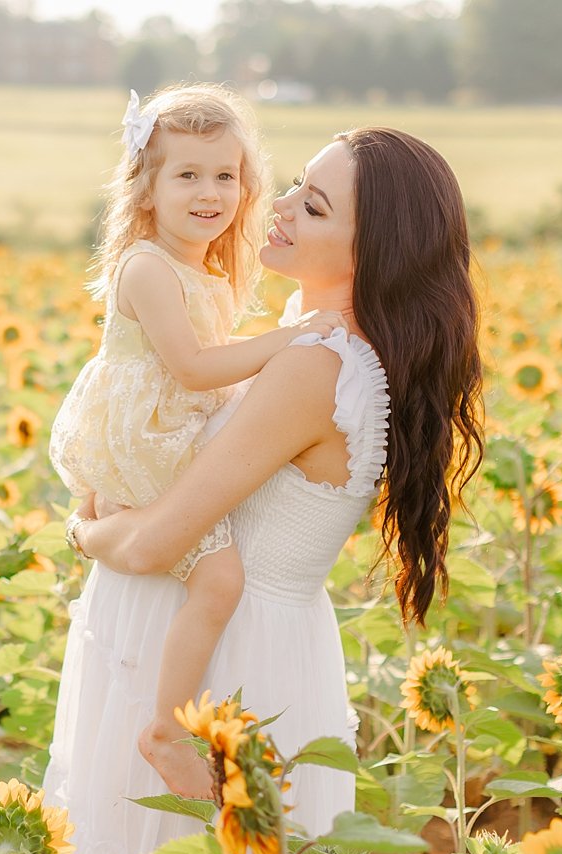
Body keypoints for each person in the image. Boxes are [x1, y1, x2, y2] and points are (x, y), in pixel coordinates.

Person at [34, 127, 485, 854]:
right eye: (294, 186)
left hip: (225, 664)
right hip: (249, 640)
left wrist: (83, 531)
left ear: (372, 249)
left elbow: (165, 538)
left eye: (313, 205)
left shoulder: (313, 366)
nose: (273, 205)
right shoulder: (321, 344)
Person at [48, 84, 347, 799]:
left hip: (161, 429)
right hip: (144, 436)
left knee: (182, 560)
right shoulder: (149, 266)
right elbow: (190, 367)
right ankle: (164, 727)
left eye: (226, 175)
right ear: (145, 190)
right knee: (218, 579)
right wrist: (288, 340)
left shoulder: (198, 268)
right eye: (186, 175)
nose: (210, 191)